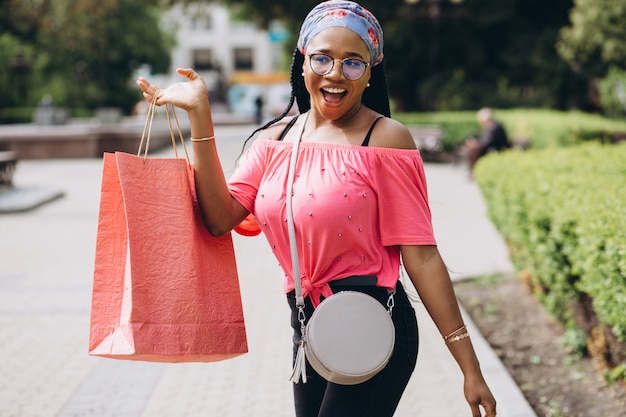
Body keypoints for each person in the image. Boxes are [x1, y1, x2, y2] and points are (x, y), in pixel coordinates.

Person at [136, 1, 497, 416]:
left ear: (370, 72)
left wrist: (470, 368)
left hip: (372, 323)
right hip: (308, 326)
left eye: (353, 63)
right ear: (303, 60)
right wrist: (200, 114)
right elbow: (219, 219)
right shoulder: (273, 142)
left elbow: (423, 256)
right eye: (323, 58)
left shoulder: (385, 140)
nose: (335, 74)